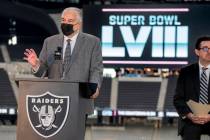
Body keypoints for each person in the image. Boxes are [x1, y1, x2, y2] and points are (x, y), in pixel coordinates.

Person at [23, 7, 103, 114]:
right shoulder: (50, 42)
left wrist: (95, 87)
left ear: (78, 24)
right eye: (63, 20)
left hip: (80, 100)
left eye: (70, 21)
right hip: (54, 101)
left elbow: (96, 69)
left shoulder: (93, 42)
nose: (65, 23)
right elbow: (42, 72)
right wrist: (36, 65)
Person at [174, 36, 210, 140]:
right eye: (205, 48)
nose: (209, 52)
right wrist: (190, 115)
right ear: (197, 52)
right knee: (190, 133)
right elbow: (178, 99)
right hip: (191, 119)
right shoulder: (186, 72)